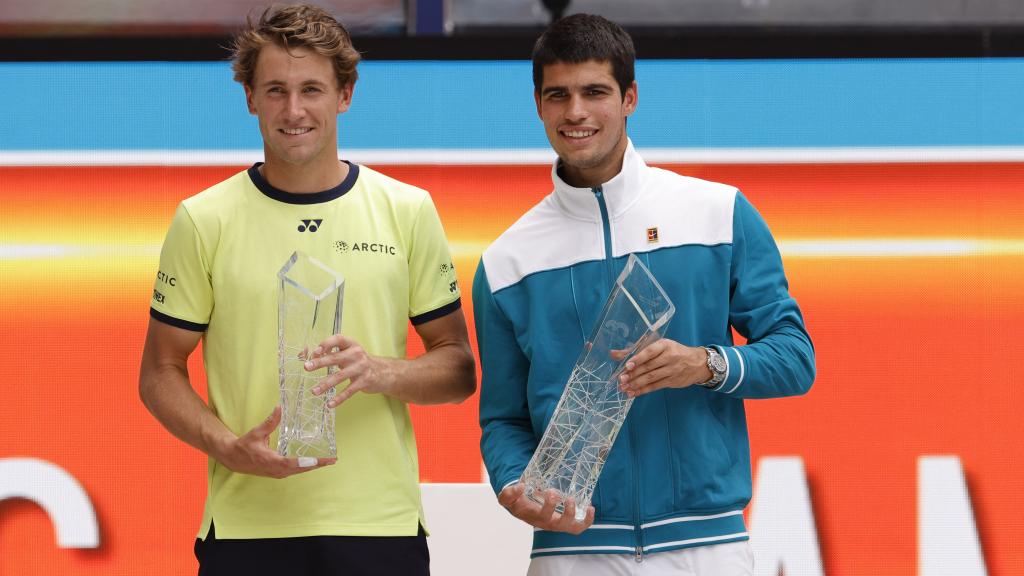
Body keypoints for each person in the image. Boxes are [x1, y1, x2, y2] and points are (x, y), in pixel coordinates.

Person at [473, 13, 815, 576]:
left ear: (629, 97)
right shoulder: (507, 262)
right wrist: (513, 483)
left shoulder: (717, 213)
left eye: (595, 92)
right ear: (538, 105)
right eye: (558, 95)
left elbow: (795, 359)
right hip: (571, 549)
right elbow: (503, 420)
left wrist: (703, 364)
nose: (576, 112)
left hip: (707, 548)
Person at [138, 4, 475, 575]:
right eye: (275, 90)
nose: (293, 110)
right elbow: (159, 371)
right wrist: (228, 447)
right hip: (247, 530)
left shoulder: (407, 210)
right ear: (249, 98)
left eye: (312, 89)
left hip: (378, 527)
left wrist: (379, 371)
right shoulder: (203, 219)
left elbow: (459, 368)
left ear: (345, 94)